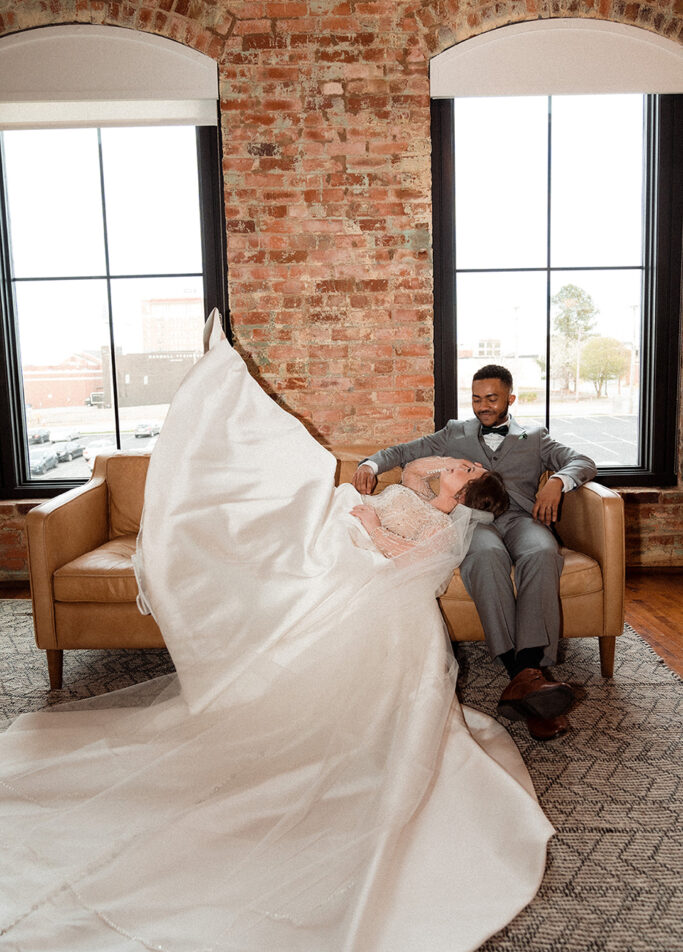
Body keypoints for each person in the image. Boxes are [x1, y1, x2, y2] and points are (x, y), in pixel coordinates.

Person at [0, 323, 554, 952]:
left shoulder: (448, 516)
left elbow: (404, 555)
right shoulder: (437, 469)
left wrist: (373, 519)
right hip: (345, 533)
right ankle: (218, 481)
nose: (458, 464)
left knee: (296, 556)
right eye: (457, 463)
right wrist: (380, 480)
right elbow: (409, 459)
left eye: (459, 473)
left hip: (359, 553)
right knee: (290, 494)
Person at [352, 364, 597, 742]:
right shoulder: (455, 432)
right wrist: (370, 463)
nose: (483, 406)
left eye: (492, 398)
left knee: (544, 552)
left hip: (521, 519)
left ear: (510, 399)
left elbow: (582, 461)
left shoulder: (535, 436)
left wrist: (558, 483)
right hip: (472, 522)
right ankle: (527, 677)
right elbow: (405, 451)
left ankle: (527, 673)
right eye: (477, 398)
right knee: (485, 557)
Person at [350, 457, 509, 558]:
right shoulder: (423, 493)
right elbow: (412, 470)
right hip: (346, 503)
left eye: (468, 470)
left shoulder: (442, 525)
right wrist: (448, 462)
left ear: (466, 493)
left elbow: (415, 557)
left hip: (352, 532)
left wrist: (374, 528)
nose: (461, 466)